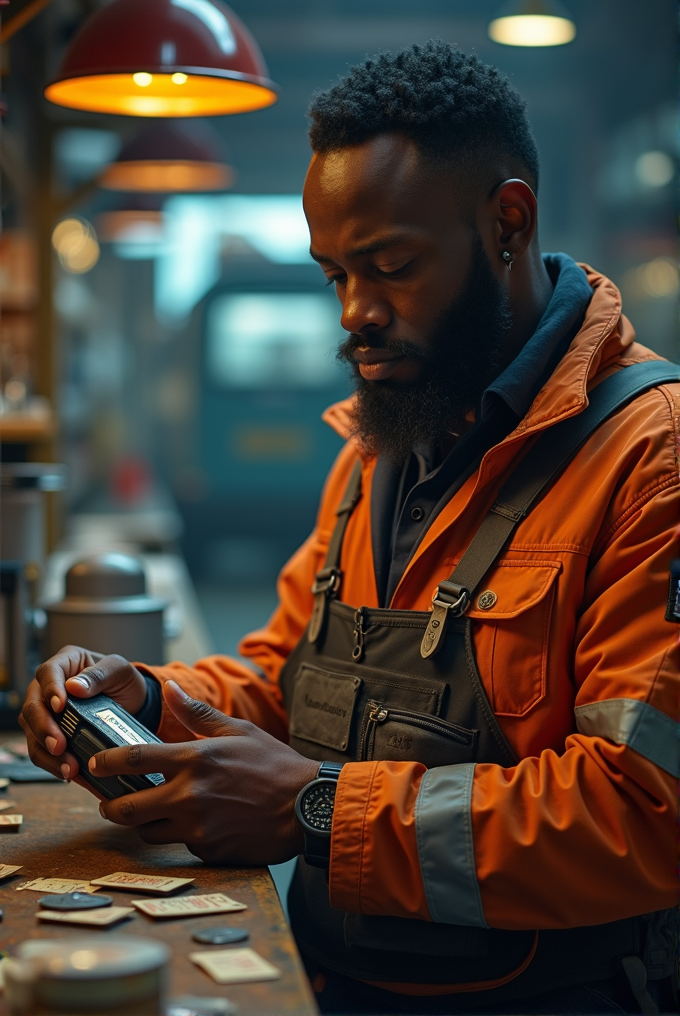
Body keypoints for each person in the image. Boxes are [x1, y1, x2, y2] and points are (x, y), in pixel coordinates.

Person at [21, 43, 678, 1015]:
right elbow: (292, 680)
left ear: (506, 220)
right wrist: (150, 700)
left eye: (391, 266)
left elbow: (641, 815)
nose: (355, 313)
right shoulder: (381, 444)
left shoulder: (646, 459)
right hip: (341, 980)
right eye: (334, 273)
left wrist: (311, 806)